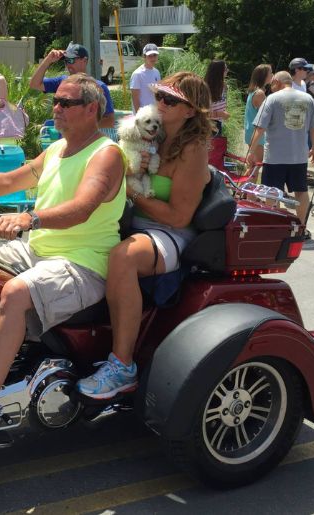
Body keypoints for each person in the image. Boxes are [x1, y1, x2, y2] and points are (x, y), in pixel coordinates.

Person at [0, 74, 126, 436]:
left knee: (16, 292)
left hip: (83, 263)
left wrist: (29, 217)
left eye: (65, 103)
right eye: (56, 101)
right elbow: (9, 181)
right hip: (38, 251)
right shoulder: (58, 149)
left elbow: (83, 208)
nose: (56, 108)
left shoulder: (106, 154)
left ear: (90, 109)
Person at [77, 73, 212, 399]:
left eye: (171, 100)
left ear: (190, 111)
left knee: (122, 258)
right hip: (131, 221)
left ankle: (122, 366)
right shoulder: (150, 135)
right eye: (160, 96)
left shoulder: (192, 151)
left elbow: (180, 217)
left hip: (168, 233)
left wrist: (131, 192)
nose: (161, 103)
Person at [250, 71, 314, 228]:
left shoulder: (272, 99)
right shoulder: (308, 98)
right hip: (299, 157)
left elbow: (259, 128)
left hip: (275, 157)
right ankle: (301, 226)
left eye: (272, 84)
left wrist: (251, 151)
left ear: (276, 81)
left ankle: (275, 226)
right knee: (301, 192)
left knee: (272, 191)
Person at [29, 42, 116, 129]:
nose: (68, 65)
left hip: (86, 141)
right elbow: (34, 84)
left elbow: (109, 121)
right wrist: (48, 60)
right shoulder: (62, 82)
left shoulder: (99, 87)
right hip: (65, 140)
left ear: (84, 61)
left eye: (71, 60)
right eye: (66, 61)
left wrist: (78, 126)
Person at [244, 64, 273, 175]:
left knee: (253, 166)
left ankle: (245, 192)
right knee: (254, 167)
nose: (272, 75)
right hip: (256, 133)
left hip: (251, 131)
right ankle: (242, 191)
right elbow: (268, 115)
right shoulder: (260, 93)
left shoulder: (254, 91)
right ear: (264, 76)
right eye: (270, 73)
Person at [130, 43, 161, 113]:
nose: (153, 58)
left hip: (154, 113)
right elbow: (135, 98)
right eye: (150, 56)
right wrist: (139, 115)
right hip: (143, 116)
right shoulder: (137, 74)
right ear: (144, 57)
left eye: (155, 55)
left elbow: (157, 93)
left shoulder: (157, 72)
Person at [204, 59, 230, 134]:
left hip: (219, 123)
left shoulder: (224, 86)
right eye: (225, 69)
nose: (227, 71)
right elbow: (202, 112)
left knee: (217, 145)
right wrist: (220, 114)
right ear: (218, 72)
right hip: (208, 124)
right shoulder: (205, 88)